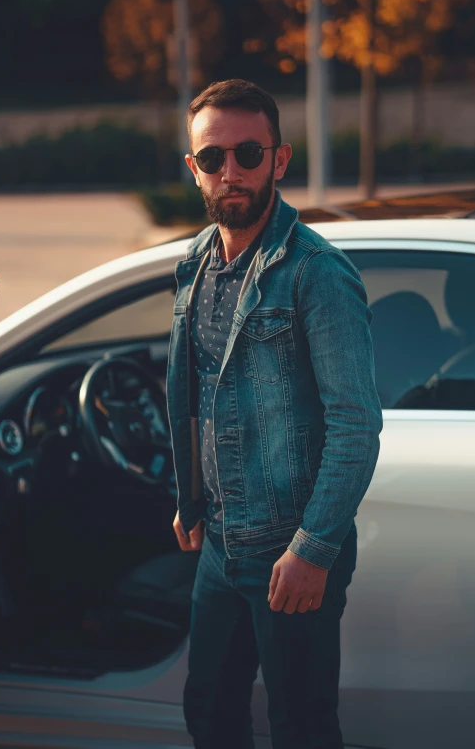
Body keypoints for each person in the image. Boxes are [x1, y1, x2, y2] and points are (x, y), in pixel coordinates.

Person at [165, 79, 382, 749]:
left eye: (248, 153)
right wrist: (192, 497)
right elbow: (199, 394)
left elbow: (355, 426)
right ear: (193, 168)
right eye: (212, 158)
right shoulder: (196, 264)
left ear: (279, 160)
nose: (230, 172)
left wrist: (313, 549)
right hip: (222, 544)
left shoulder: (318, 273)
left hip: (290, 550)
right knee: (209, 712)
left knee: (303, 727)